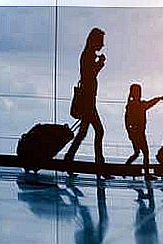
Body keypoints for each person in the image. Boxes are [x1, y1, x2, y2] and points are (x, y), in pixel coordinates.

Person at [65, 27, 112, 179]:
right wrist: (100, 64)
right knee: (99, 131)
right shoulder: (88, 55)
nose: (103, 45)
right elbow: (89, 75)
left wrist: (99, 63)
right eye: (101, 41)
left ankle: (69, 159)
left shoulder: (88, 55)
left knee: (83, 132)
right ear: (95, 41)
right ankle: (100, 167)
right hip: (88, 101)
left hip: (89, 99)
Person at [124, 83, 163, 180]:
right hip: (138, 134)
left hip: (137, 133)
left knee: (137, 153)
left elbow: (151, 103)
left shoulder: (134, 105)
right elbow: (127, 120)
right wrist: (130, 132)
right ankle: (145, 174)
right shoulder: (136, 105)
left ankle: (125, 169)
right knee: (145, 153)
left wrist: (158, 99)